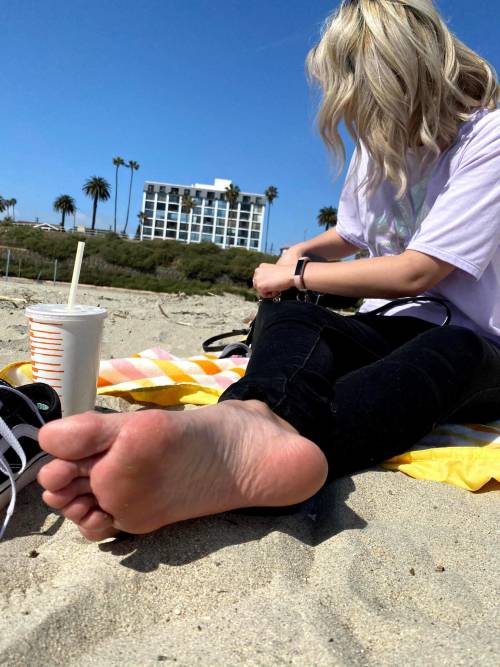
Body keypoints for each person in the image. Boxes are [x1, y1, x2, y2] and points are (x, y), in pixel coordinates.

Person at [37, 0, 500, 542]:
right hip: (391, 323)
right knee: (297, 320)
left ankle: (255, 458)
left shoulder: (487, 140)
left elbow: (416, 272)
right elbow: (354, 233)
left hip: (478, 340)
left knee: (448, 353)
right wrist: (298, 254)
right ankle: (246, 422)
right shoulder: (377, 151)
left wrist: (298, 274)